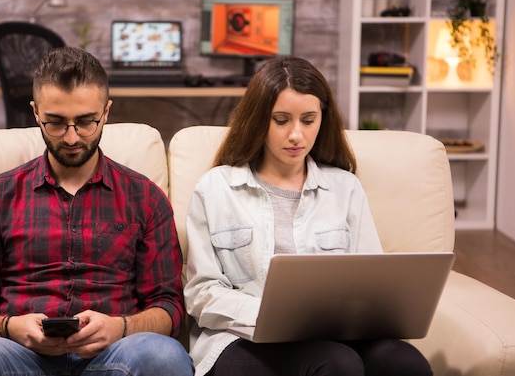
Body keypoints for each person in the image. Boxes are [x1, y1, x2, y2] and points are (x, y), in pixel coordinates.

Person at [0, 47, 194, 376]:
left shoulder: (145, 198)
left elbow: (169, 305)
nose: (71, 137)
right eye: (55, 123)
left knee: (164, 357)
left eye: (86, 122)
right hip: (18, 355)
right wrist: (9, 327)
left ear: (106, 112)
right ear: (36, 112)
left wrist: (120, 327)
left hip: (115, 355)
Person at [184, 56, 433, 376]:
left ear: (323, 120)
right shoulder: (216, 188)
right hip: (239, 338)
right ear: (259, 120)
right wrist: (275, 315)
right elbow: (202, 293)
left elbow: (372, 281)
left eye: (308, 120)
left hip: (331, 337)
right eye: (281, 120)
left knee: (405, 362)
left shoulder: (345, 188)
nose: (296, 135)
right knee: (336, 363)